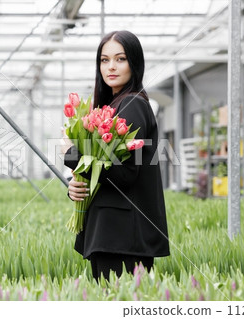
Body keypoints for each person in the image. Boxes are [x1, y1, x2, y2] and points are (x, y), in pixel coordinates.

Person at [63, 30, 170, 281]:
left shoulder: (132, 105)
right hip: (114, 233)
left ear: (135, 62)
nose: (111, 67)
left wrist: (71, 155)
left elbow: (124, 174)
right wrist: (76, 188)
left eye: (120, 59)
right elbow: (106, 169)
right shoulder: (113, 106)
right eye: (104, 60)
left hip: (122, 236)